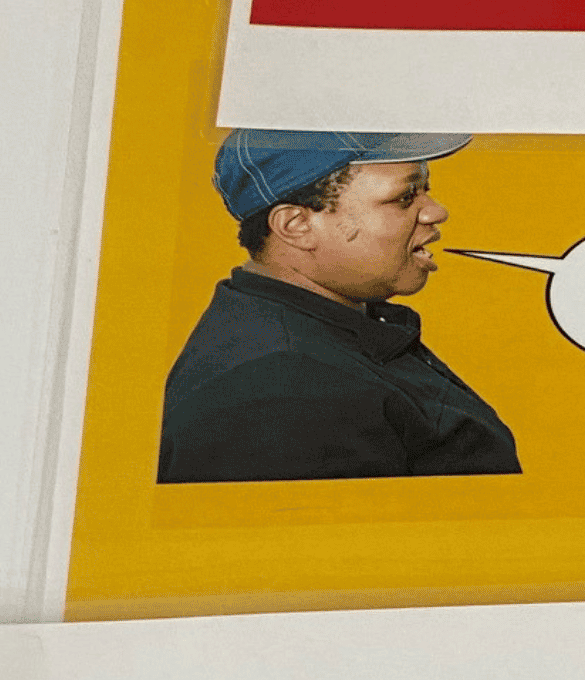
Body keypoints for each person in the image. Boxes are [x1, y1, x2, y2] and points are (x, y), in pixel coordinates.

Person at [157, 127, 520, 482]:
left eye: (426, 191)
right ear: (296, 225)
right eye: (405, 197)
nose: (436, 212)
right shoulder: (282, 392)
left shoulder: (317, 334)